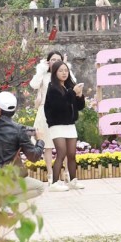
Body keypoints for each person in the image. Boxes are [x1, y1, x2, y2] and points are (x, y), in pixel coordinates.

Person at [0, 92, 46, 193]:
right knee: (40, 187)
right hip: (6, 178)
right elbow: (34, 156)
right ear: (14, 111)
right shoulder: (19, 130)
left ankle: (3, 203)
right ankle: (7, 204)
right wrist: (40, 140)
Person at [30, 49, 71, 180]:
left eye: (58, 60)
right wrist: (41, 70)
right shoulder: (45, 75)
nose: (55, 62)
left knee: (63, 144)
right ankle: (50, 174)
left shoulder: (63, 75)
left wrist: (66, 67)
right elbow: (34, 85)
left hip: (62, 112)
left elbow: (72, 84)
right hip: (45, 112)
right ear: (48, 61)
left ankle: (67, 173)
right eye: (52, 60)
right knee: (48, 145)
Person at [44, 62, 86, 190]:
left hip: (69, 124)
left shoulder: (69, 87)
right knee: (61, 153)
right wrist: (72, 93)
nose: (64, 73)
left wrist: (79, 96)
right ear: (55, 73)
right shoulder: (52, 88)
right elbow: (59, 106)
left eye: (66, 70)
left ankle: (73, 180)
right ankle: (55, 182)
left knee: (72, 154)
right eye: (61, 71)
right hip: (57, 125)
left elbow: (79, 107)